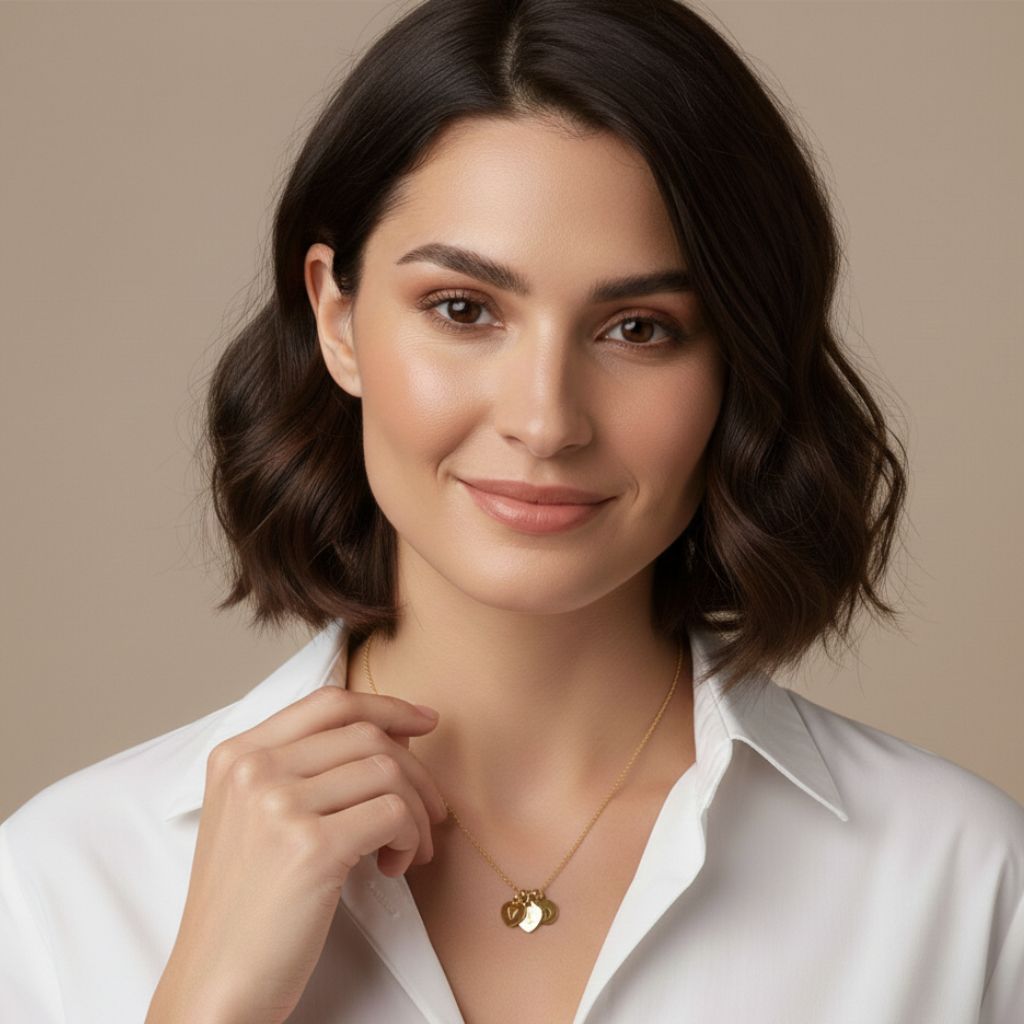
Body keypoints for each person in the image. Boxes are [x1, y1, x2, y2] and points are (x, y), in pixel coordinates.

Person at [2, 0, 1022, 1020]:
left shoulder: (956, 878)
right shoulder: (66, 883)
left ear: (737, 362)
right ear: (338, 316)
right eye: (463, 309)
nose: (545, 421)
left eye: (638, 328)